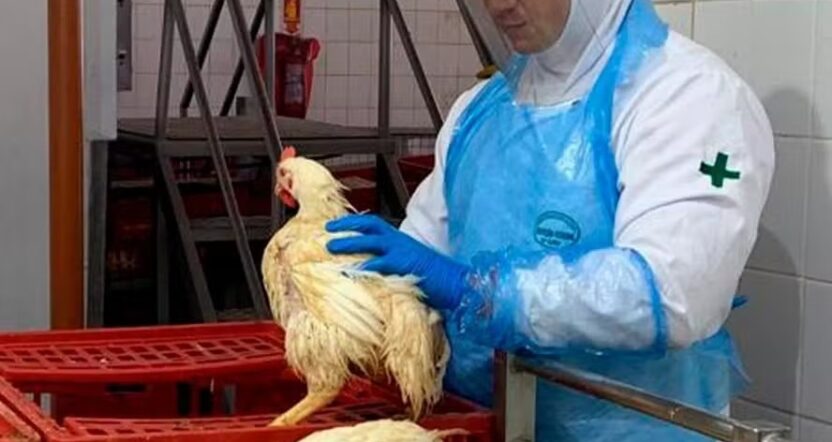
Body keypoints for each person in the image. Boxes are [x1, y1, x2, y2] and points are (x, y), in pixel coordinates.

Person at [326, 0, 775, 439]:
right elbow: (422, 257)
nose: (499, 6)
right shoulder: (479, 110)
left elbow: (672, 293)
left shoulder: (687, 96)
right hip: (478, 426)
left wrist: (479, 293)